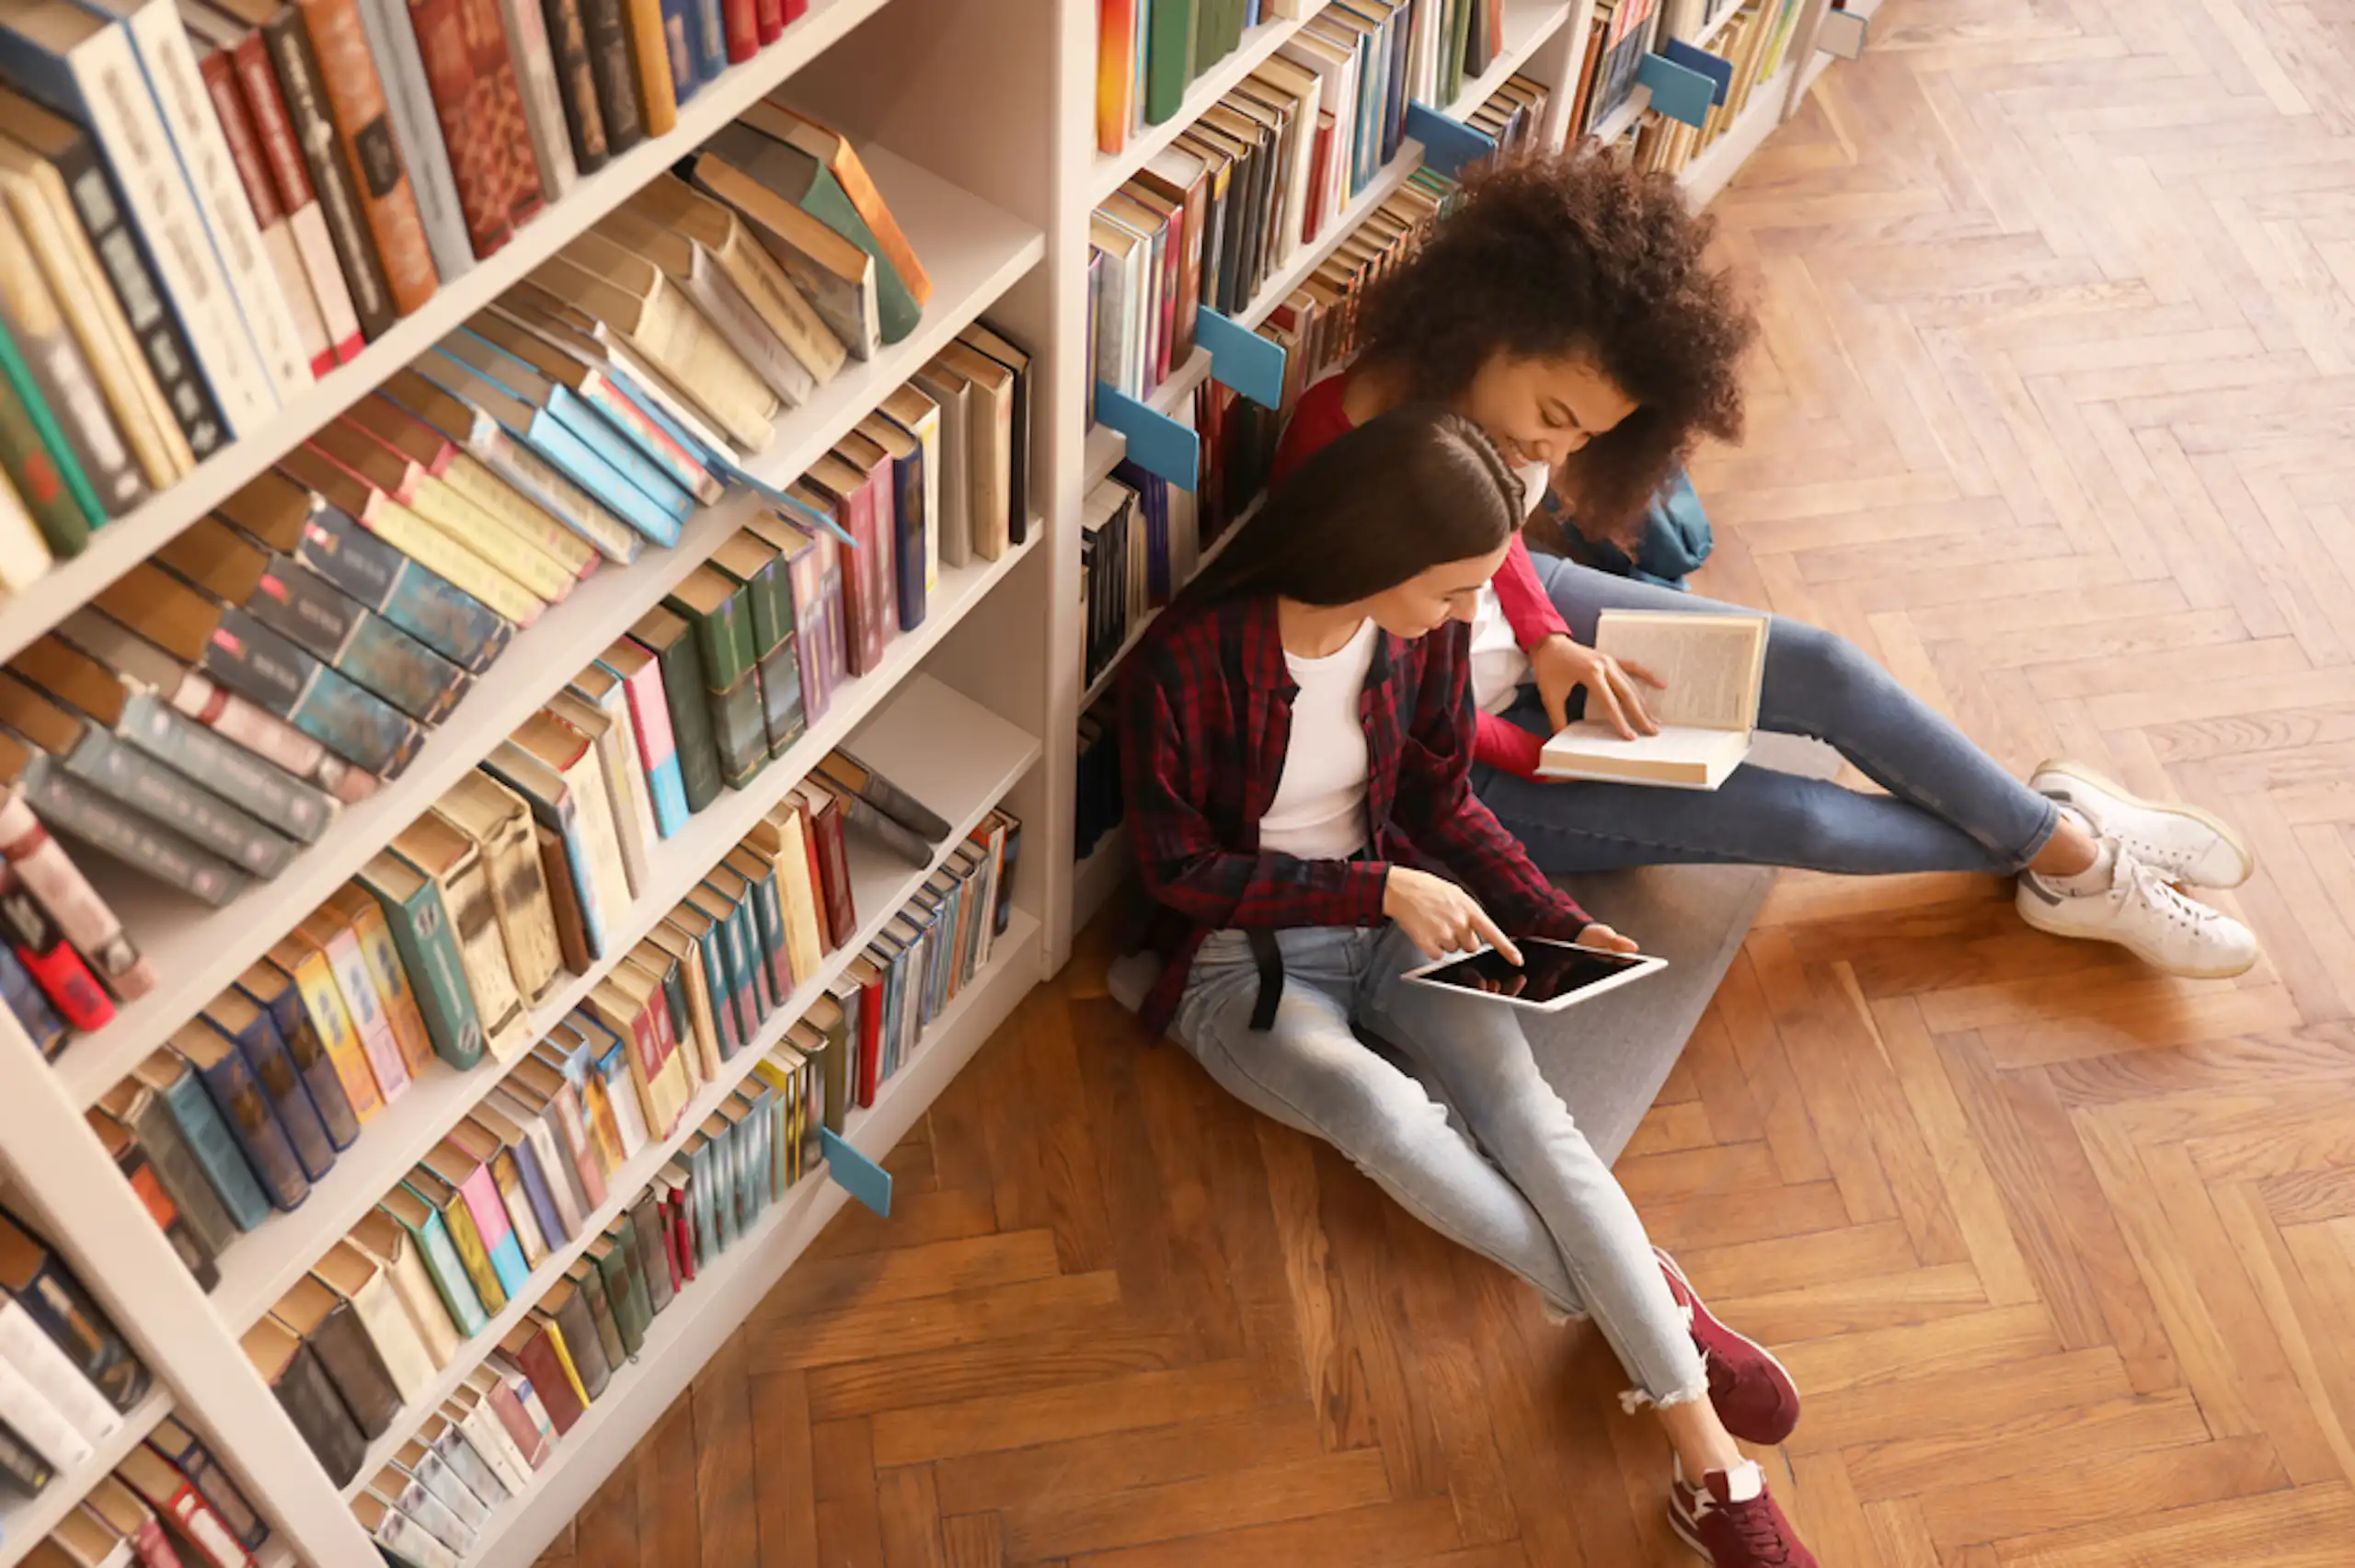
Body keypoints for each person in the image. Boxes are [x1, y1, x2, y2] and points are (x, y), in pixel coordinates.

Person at [1269, 148, 2258, 980]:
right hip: (1448, 761)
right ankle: (2077, 857)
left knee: (1821, 667)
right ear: (1478, 335)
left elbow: (1498, 545)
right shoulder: (1343, 455)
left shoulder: (1500, 422)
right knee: (1799, 819)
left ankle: (2066, 852)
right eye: (1552, 421)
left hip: (1511, 653)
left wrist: (1550, 637)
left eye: (1585, 437)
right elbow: (1379, 706)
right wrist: (1543, 754)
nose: (1553, 457)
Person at [1122, 406, 1816, 1567]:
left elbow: (1444, 803)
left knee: (1528, 1116)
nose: (1466, 618)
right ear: (1375, 551)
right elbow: (1176, 872)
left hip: (1403, 906)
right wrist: (1376, 892)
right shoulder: (1191, 660)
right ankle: (1652, 1305)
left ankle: (1714, 1475)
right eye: (1453, 590)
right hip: (1243, 958)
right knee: (1388, 1118)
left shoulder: (1420, 639)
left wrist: (1556, 919)